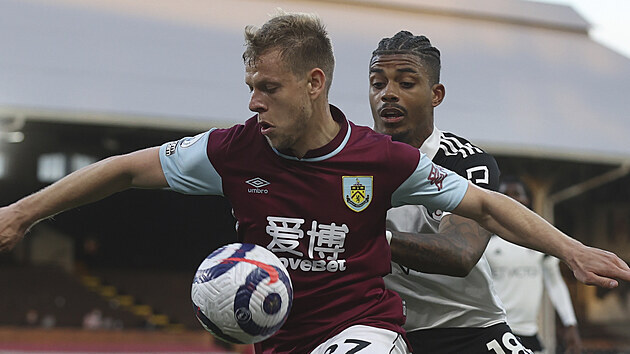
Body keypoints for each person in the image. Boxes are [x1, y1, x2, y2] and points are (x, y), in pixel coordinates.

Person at [0, 11, 629, 354]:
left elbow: (483, 215)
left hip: (393, 333)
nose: (253, 103)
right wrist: (23, 213)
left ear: (314, 82)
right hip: (287, 339)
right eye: (250, 88)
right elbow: (126, 169)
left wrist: (571, 249)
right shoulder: (235, 150)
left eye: (267, 88)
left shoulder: (381, 160)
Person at [370, 30, 530, 354]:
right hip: (383, 329)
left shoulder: (467, 163)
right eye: (378, 83)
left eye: (406, 83)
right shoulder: (348, 160)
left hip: (468, 328)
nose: (388, 94)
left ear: (436, 94)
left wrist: (365, 239)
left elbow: (460, 253)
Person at [486, 176, 583, 354]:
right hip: (496, 329)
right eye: (504, 194)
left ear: (527, 200)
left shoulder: (542, 243)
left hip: (530, 333)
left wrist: (570, 323)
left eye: (516, 194)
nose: (510, 199)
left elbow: (555, 283)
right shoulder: (485, 241)